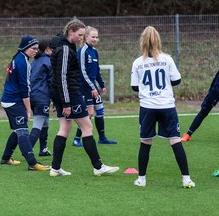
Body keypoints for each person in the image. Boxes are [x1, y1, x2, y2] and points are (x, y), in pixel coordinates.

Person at [49, 18, 119, 177]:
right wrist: (66, 102)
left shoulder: (63, 45)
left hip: (61, 93)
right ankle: (98, 166)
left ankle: (55, 168)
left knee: (65, 128)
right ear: (71, 32)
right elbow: (62, 77)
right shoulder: (65, 49)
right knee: (87, 127)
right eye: (80, 34)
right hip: (70, 94)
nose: (81, 37)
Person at [130, 26, 195, 188]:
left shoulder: (138, 62)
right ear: (158, 40)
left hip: (147, 107)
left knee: (145, 142)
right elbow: (176, 80)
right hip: (167, 105)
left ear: (142, 42)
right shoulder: (167, 59)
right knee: (175, 140)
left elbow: (134, 87)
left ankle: (141, 179)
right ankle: (186, 179)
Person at [0, 35, 51, 171]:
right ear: (25, 48)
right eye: (33, 48)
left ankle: (6, 158)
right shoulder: (23, 63)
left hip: (8, 99)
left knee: (17, 130)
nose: (36, 51)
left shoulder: (18, 58)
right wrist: (28, 110)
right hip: (14, 101)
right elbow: (25, 88)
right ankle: (32, 163)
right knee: (23, 131)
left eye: (37, 49)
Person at [72, 26, 117, 147]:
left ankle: (102, 138)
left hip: (93, 87)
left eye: (97, 37)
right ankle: (77, 138)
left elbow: (96, 70)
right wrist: (92, 87)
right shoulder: (82, 51)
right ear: (86, 37)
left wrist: (101, 84)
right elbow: (82, 71)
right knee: (89, 113)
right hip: (84, 88)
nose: (95, 39)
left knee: (100, 111)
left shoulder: (95, 51)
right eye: (93, 36)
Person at [29, 39, 54, 156]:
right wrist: (55, 99)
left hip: (31, 96)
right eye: (52, 48)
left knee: (45, 122)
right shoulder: (48, 61)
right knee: (38, 124)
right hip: (41, 97)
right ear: (47, 49)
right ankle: (27, 152)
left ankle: (43, 149)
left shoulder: (34, 62)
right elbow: (51, 82)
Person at [181, 71, 219, 142]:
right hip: (215, 92)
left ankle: (188, 134)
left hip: (215, 90)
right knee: (204, 110)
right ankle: (188, 134)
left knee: (204, 110)